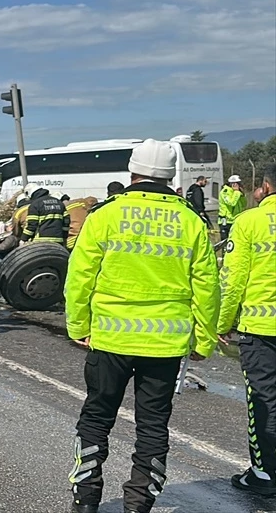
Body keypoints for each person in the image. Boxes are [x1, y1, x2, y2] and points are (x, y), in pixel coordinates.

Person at [65, 139, 220, 513]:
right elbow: (208, 287)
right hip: (165, 346)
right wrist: (204, 339)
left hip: (111, 338)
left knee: (97, 417)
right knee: (152, 426)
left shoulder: (104, 215)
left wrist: (78, 327)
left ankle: (86, 499)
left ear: (132, 172)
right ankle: (138, 504)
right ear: (170, 177)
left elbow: (80, 276)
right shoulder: (191, 221)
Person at [216, 163, 276, 497]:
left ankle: (265, 474)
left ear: (265, 187)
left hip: (262, 328)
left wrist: (223, 324)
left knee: (264, 400)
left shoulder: (249, 221)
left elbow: (233, 279)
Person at [219, 174, 246, 239]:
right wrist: (236, 192)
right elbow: (231, 203)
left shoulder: (237, 193)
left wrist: (242, 195)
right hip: (226, 221)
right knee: (226, 241)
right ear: (233, 184)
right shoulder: (225, 192)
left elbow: (244, 204)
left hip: (236, 219)